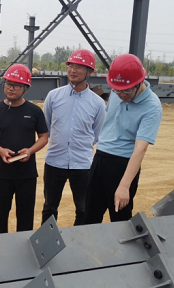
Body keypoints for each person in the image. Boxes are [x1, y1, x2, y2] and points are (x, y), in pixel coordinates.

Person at [82, 53, 162, 224]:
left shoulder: (152, 107)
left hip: (123, 165)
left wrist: (124, 186)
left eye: (126, 91)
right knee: (89, 216)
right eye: (116, 90)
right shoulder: (117, 91)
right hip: (100, 158)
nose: (121, 95)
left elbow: (140, 149)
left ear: (139, 82)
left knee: (121, 220)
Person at [41, 49, 106, 226]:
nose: (73, 70)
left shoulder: (98, 103)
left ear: (90, 72)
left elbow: (97, 133)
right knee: (49, 207)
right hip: (55, 161)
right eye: (71, 66)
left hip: (83, 164)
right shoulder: (54, 96)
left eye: (79, 67)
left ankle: (78, 240)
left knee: (84, 208)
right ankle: (47, 241)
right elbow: (47, 126)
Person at [0, 64, 48, 234]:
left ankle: (23, 245)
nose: (11, 88)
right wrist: (0, 151)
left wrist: (30, 150)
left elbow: (44, 137)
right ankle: (0, 244)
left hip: (27, 174)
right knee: (0, 214)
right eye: (8, 84)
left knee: (25, 215)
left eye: (16, 85)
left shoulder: (34, 111)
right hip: (2, 173)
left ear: (26, 88)